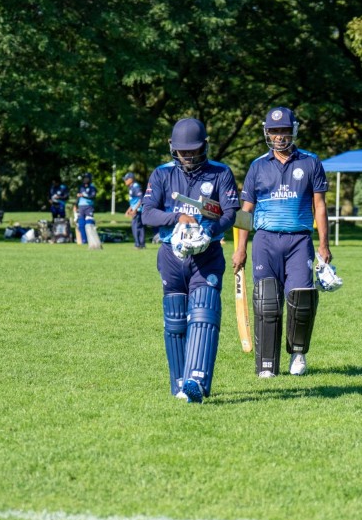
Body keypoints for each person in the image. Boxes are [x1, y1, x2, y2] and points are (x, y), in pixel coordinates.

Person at [141, 118, 240, 403]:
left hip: (206, 256)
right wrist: (178, 218)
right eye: (183, 151)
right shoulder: (162, 174)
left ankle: (196, 380)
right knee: (175, 321)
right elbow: (147, 213)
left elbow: (230, 213)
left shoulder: (220, 172)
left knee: (203, 313)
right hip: (171, 255)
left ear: (204, 146)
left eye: (193, 150)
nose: (188, 156)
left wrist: (208, 231)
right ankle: (179, 385)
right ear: (172, 147)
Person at [232, 107, 332, 377]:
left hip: (299, 240)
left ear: (293, 131)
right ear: (267, 133)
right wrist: (240, 248)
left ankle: (298, 355)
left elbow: (320, 206)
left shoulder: (310, 162)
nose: (279, 136)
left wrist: (324, 244)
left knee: (302, 298)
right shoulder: (257, 166)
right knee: (267, 302)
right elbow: (246, 210)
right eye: (274, 131)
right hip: (265, 240)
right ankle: (267, 364)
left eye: (284, 131)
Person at [124, 171, 145, 249]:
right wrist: (128, 210)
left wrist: (135, 210)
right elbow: (133, 201)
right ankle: (141, 244)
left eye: (126, 179)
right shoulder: (131, 187)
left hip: (138, 210)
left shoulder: (136, 187)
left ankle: (138, 244)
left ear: (131, 179)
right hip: (136, 209)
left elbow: (140, 199)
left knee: (135, 227)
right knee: (139, 226)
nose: (125, 181)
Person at [75, 172, 96, 245]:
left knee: (89, 223)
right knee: (81, 224)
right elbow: (78, 196)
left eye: (87, 178)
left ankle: (91, 239)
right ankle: (84, 240)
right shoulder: (81, 187)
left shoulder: (92, 187)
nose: (85, 180)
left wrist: (84, 196)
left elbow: (93, 196)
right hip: (81, 207)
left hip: (89, 207)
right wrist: (76, 205)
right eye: (84, 178)